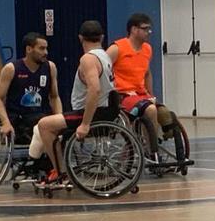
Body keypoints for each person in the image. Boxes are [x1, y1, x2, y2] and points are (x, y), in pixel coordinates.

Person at [0, 31, 66, 182]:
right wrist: (5, 123)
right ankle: (55, 169)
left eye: (46, 48)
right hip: (19, 120)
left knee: (65, 127)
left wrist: (60, 117)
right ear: (29, 49)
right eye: (41, 48)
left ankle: (52, 168)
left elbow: (54, 96)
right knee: (43, 123)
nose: (46, 52)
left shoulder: (50, 67)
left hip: (42, 117)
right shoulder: (12, 69)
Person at [107, 12, 174, 159]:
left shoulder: (147, 49)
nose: (148, 32)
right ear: (133, 30)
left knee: (164, 112)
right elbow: (102, 70)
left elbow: (147, 73)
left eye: (149, 29)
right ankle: (152, 151)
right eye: (145, 29)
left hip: (140, 94)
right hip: (122, 94)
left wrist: (151, 95)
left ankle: (151, 141)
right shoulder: (117, 48)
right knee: (149, 110)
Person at [69, 20, 117, 139]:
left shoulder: (88, 59)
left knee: (43, 126)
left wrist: (85, 124)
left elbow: (95, 89)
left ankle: (53, 158)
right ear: (102, 38)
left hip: (87, 112)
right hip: (106, 110)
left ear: (80, 38)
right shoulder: (105, 56)